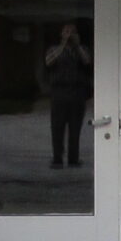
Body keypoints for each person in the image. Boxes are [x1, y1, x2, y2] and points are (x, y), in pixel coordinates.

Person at [42, 22, 93, 168]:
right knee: (57, 127)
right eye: (66, 31)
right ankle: (57, 158)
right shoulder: (54, 49)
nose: (69, 34)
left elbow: (87, 61)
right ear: (61, 34)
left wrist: (76, 45)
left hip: (77, 93)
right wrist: (63, 44)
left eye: (72, 32)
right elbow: (48, 61)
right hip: (59, 92)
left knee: (75, 128)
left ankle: (73, 158)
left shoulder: (82, 49)